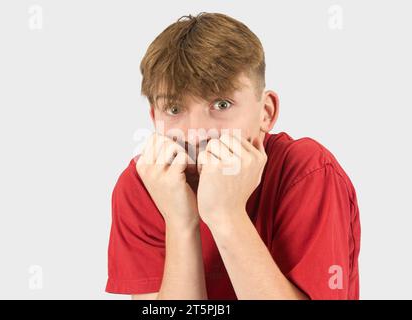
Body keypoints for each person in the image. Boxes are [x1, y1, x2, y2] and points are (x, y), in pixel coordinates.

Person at [106, 12, 361, 300]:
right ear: (155, 118)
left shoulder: (308, 171)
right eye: (175, 110)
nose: (196, 133)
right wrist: (180, 223)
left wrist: (226, 215)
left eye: (222, 104)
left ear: (266, 113)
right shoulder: (143, 184)